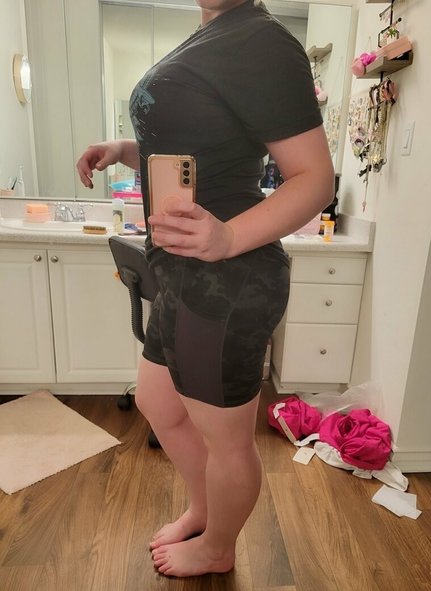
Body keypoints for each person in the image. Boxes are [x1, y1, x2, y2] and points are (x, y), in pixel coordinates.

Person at [76, 0, 334, 578]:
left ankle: (219, 545)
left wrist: (228, 237)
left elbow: (316, 178)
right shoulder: (210, 36)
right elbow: (197, 147)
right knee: (157, 403)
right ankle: (204, 508)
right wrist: (124, 151)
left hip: (229, 279)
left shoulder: (261, 41)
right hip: (180, 270)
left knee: (229, 441)